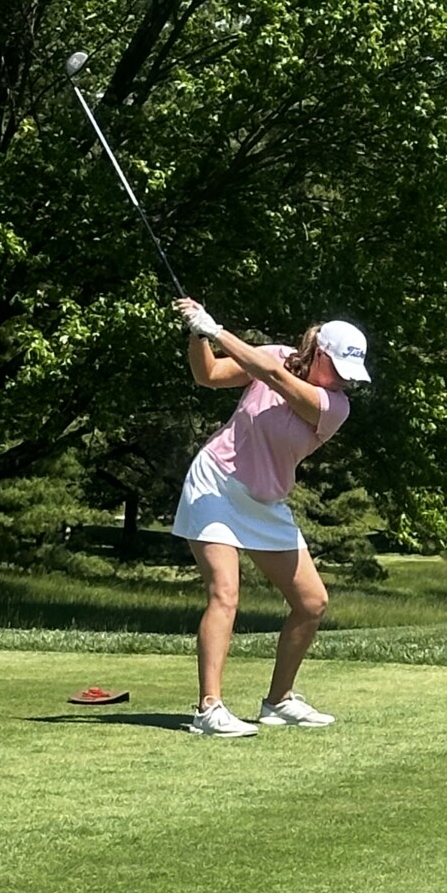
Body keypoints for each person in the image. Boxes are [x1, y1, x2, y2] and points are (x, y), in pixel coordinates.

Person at [170, 298, 370, 737]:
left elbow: (274, 378)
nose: (342, 382)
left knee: (312, 603)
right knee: (224, 591)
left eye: (348, 377)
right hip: (216, 483)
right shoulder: (275, 355)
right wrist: (198, 334)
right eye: (336, 369)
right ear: (318, 352)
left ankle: (278, 701)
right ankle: (209, 708)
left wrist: (216, 327)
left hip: (265, 502)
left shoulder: (333, 407)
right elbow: (207, 376)